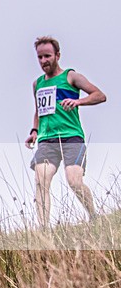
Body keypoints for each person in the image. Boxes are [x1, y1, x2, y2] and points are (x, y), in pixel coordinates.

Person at [25, 36, 106, 228]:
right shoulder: (37, 84)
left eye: (47, 56)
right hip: (47, 140)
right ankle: (43, 230)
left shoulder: (71, 76)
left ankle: (94, 216)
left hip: (72, 137)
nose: (44, 61)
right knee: (40, 180)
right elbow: (39, 111)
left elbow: (100, 95)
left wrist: (78, 101)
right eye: (40, 57)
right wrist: (35, 130)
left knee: (74, 181)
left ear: (57, 55)